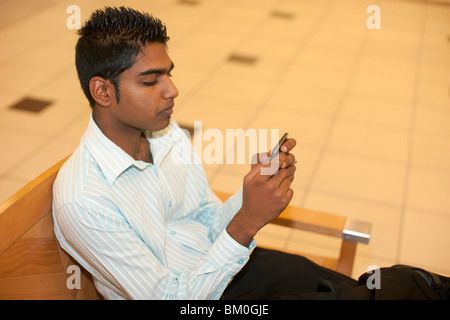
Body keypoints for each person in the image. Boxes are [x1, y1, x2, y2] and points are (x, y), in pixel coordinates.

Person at [52, 6, 448, 300]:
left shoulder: (164, 133)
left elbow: (206, 217)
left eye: (169, 73)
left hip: (227, 267)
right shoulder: (83, 199)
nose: (172, 90)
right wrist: (245, 224)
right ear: (102, 91)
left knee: (368, 290)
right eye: (151, 80)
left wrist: (251, 193)